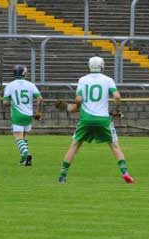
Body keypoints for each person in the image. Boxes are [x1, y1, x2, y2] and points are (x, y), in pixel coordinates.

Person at [57, 56, 135, 184]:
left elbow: (78, 100)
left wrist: (75, 107)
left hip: (86, 119)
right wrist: (117, 109)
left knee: (75, 145)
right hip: (103, 119)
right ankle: (125, 172)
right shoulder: (108, 80)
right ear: (102, 66)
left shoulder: (82, 80)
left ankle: (62, 175)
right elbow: (117, 96)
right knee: (115, 146)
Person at [2, 65, 43, 166]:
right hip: (28, 115)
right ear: (24, 73)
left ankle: (26, 153)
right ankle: (24, 160)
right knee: (24, 136)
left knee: (18, 137)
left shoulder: (10, 85)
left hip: (17, 114)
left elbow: (5, 102)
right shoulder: (30, 85)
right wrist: (38, 112)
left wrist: (8, 101)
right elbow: (40, 99)